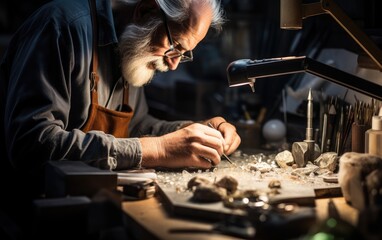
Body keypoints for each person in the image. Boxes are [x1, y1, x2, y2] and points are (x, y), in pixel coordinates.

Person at [0, 0, 241, 234]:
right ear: (145, 10)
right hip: (29, 215)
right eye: (175, 45)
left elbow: (136, 126)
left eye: (184, 53)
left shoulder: (133, 42)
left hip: (88, 205)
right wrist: (158, 149)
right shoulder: (62, 26)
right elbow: (31, 144)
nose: (174, 63)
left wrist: (194, 132)